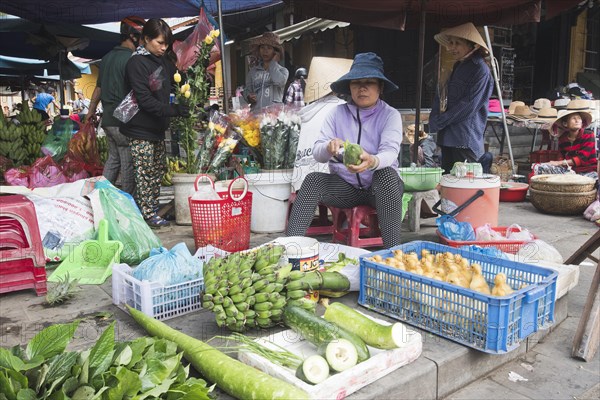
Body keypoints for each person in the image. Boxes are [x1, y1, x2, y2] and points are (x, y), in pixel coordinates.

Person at [286, 52, 404, 248]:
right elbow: (318, 153)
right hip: (346, 188)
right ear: (349, 87)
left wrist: (372, 161)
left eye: (369, 82)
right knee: (312, 180)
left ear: (380, 87)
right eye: (356, 83)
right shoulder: (336, 114)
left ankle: (394, 252)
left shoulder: (390, 115)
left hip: (379, 190)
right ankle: (289, 248)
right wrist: (328, 147)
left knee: (387, 175)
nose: (362, 88)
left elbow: (390, 151)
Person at [120, 18, 190, 228]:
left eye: (166, 43)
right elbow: (145, 100)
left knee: (157, 171)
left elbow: (173, 80)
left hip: (157, 127)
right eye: (159, 43)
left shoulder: (162, 60)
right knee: (145, 173)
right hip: (139, 127)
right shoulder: (136, 62)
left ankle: (152, 210)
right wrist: (174, 110)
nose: (163, 47)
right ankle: (147, 215)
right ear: (146, 39)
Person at [86, 15, 146, 197]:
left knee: (113, 159)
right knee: (127, 161)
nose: (143, 42)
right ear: (133, 37)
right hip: (123, 120)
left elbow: (98, 88)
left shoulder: (106, 58)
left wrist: (90, 111)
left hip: (108, 119)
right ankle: (126, 201)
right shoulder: (132, 59)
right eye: (142, 38)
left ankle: (99, 196)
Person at [428, 22, 494, 174]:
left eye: (457, 43)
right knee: (448, 182)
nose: (451, 47)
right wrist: (436, 117)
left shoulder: (480, 69)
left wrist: (440, 121)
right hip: (449, 136)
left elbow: (468, 105)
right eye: (450, 42)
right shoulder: (460, 65)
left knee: (465, 185)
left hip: (464, 137)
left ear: (473, 46)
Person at [534, 100, 597, 179]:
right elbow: (561, 156)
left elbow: (581, 159)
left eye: (579, 118)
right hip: (570, 171)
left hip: (588, 171)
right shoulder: (563, 138)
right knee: (541, 167)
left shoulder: (588, 135)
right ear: (565, 124)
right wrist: (555, 163)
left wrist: (558, 163)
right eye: (573, 118)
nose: (577, 121)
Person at [245, 32, 289, 112]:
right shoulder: (253, 72)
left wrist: (273, 63)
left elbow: (279, 82)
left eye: (269, 48)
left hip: (274, 117)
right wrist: (248, 96)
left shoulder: (283, 71)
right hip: (256, 116)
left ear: (275, 52)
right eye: (262, 47)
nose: (265, 51)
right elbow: (247, 90)